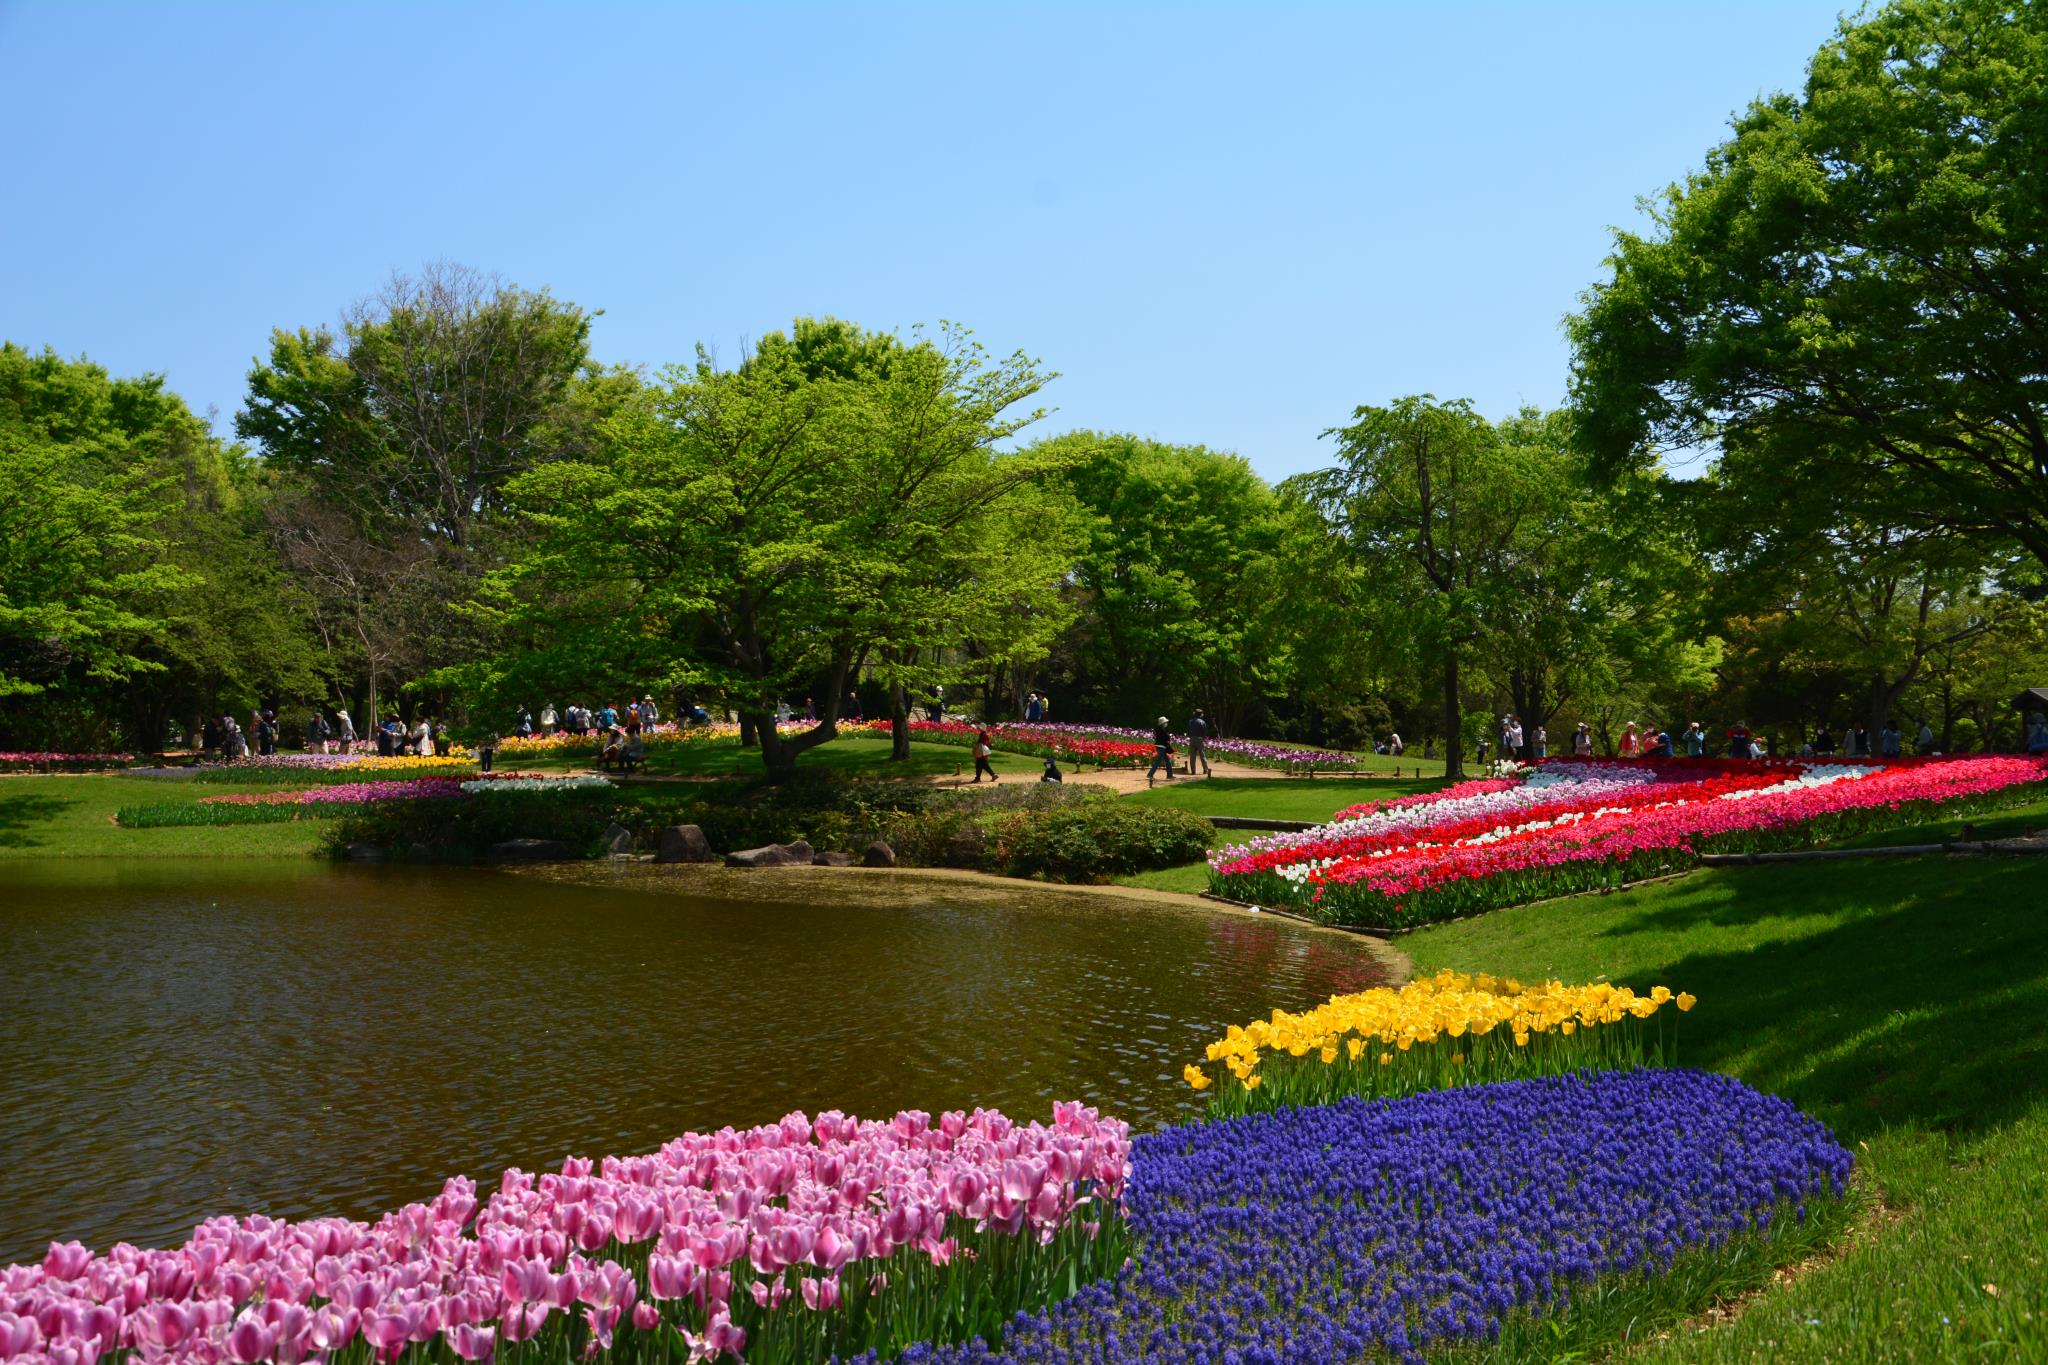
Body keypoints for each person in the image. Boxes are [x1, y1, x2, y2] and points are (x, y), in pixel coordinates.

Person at [1147, 716, 1177, 787]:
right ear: (1163, 723)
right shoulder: (1162, 731)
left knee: (1167, 760)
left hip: (1161, 746)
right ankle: (1150, 774)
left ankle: (1169, 775)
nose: (1166, 723)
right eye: (1165, 722)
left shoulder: (1160, 730)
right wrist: (1171, 750)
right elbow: (1166, 740)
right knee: (1158, 761)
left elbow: (1166, 741)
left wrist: (1170, 749)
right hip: (1161, 747)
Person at [1187, 709, 1213, 776]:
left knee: (1192, 756)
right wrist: (1203, 739)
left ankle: (1193, 771)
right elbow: (1204, 732)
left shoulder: (1190, 722)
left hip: (1192, 738)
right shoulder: (1202, 722)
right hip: (1199, 739)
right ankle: (1205, 770)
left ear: (1195, 714)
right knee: (1202, 755)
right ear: (1201, 715)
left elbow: (1188, 731)